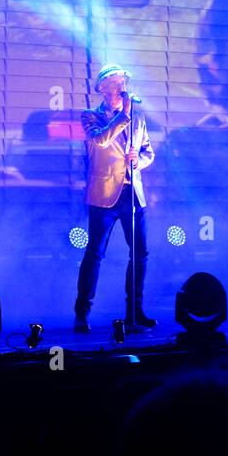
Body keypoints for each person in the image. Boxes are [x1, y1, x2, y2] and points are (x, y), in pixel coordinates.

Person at [74, 64, 155, 332]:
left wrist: (138, 160)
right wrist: (124, 115)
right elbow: (100, 141)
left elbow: (148, 152)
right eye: (116, 82)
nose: (121, 87)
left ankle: (135, 312)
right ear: (102, 87)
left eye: (124, 82)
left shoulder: (138, 118)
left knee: (140, 253)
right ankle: (82, 313)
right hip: (104, 196)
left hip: (133, 193)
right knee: (95, 253)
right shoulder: (90, 116)